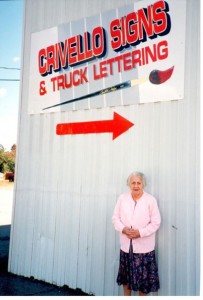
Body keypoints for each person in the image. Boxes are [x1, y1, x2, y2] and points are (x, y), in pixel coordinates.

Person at [112, 172, 161, 296]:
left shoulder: (150, 200)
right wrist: (123, 229)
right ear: (129, 184)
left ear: (143, 184)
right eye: (133, 183)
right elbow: (115, 218)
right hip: (126, 248)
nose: (136, 185)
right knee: (126, 281)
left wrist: (140, 233)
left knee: (143, 283)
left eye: (138, 183)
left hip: (144, 250)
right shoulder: (122, 198)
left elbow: (156, 222)